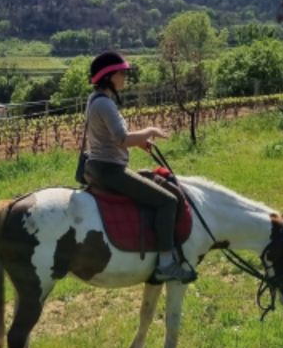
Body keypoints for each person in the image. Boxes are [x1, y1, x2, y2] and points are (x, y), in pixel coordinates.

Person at [83, 51, 197, 283]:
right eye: (122, 73)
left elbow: (113, 138)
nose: (125, 77)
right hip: (110, 171)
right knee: (168, 201)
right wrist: (149, 131)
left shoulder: (96, 100)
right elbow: (121, 138)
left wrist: (141, 142)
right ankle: (165, 264)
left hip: (99, 167)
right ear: (109, 76)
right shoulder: (104, 104)